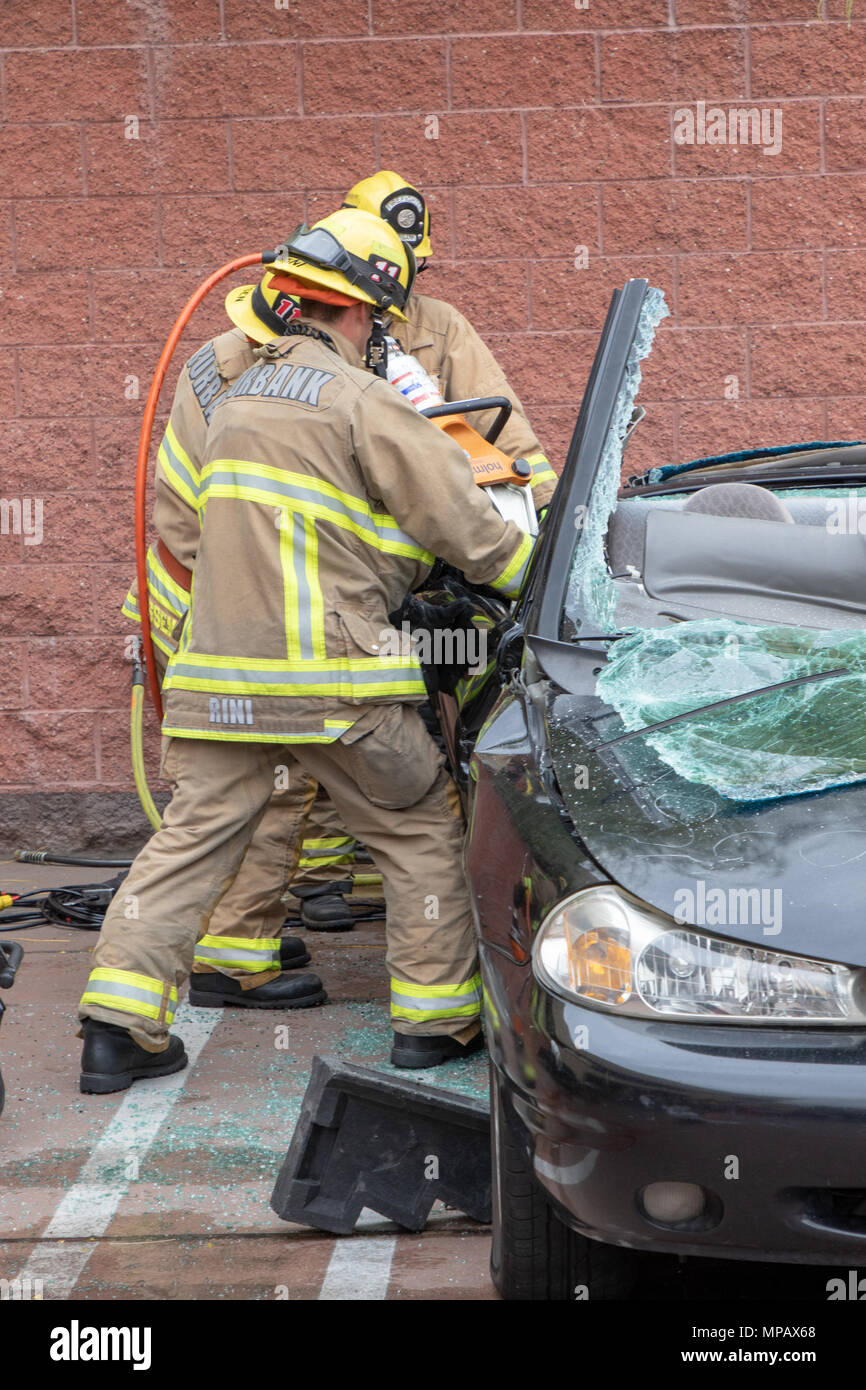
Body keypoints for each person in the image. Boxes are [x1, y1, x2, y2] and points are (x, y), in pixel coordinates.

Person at [79, 208, 534, 1093]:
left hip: (218, 683)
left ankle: (116, 1028)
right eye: (382, 320)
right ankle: (434, 1026)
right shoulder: (362, 400)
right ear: (359, 314)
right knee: (413, 828)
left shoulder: (236, 400)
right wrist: (527, 573)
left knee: (189, 843)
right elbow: (462, 520)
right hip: (338, 684)